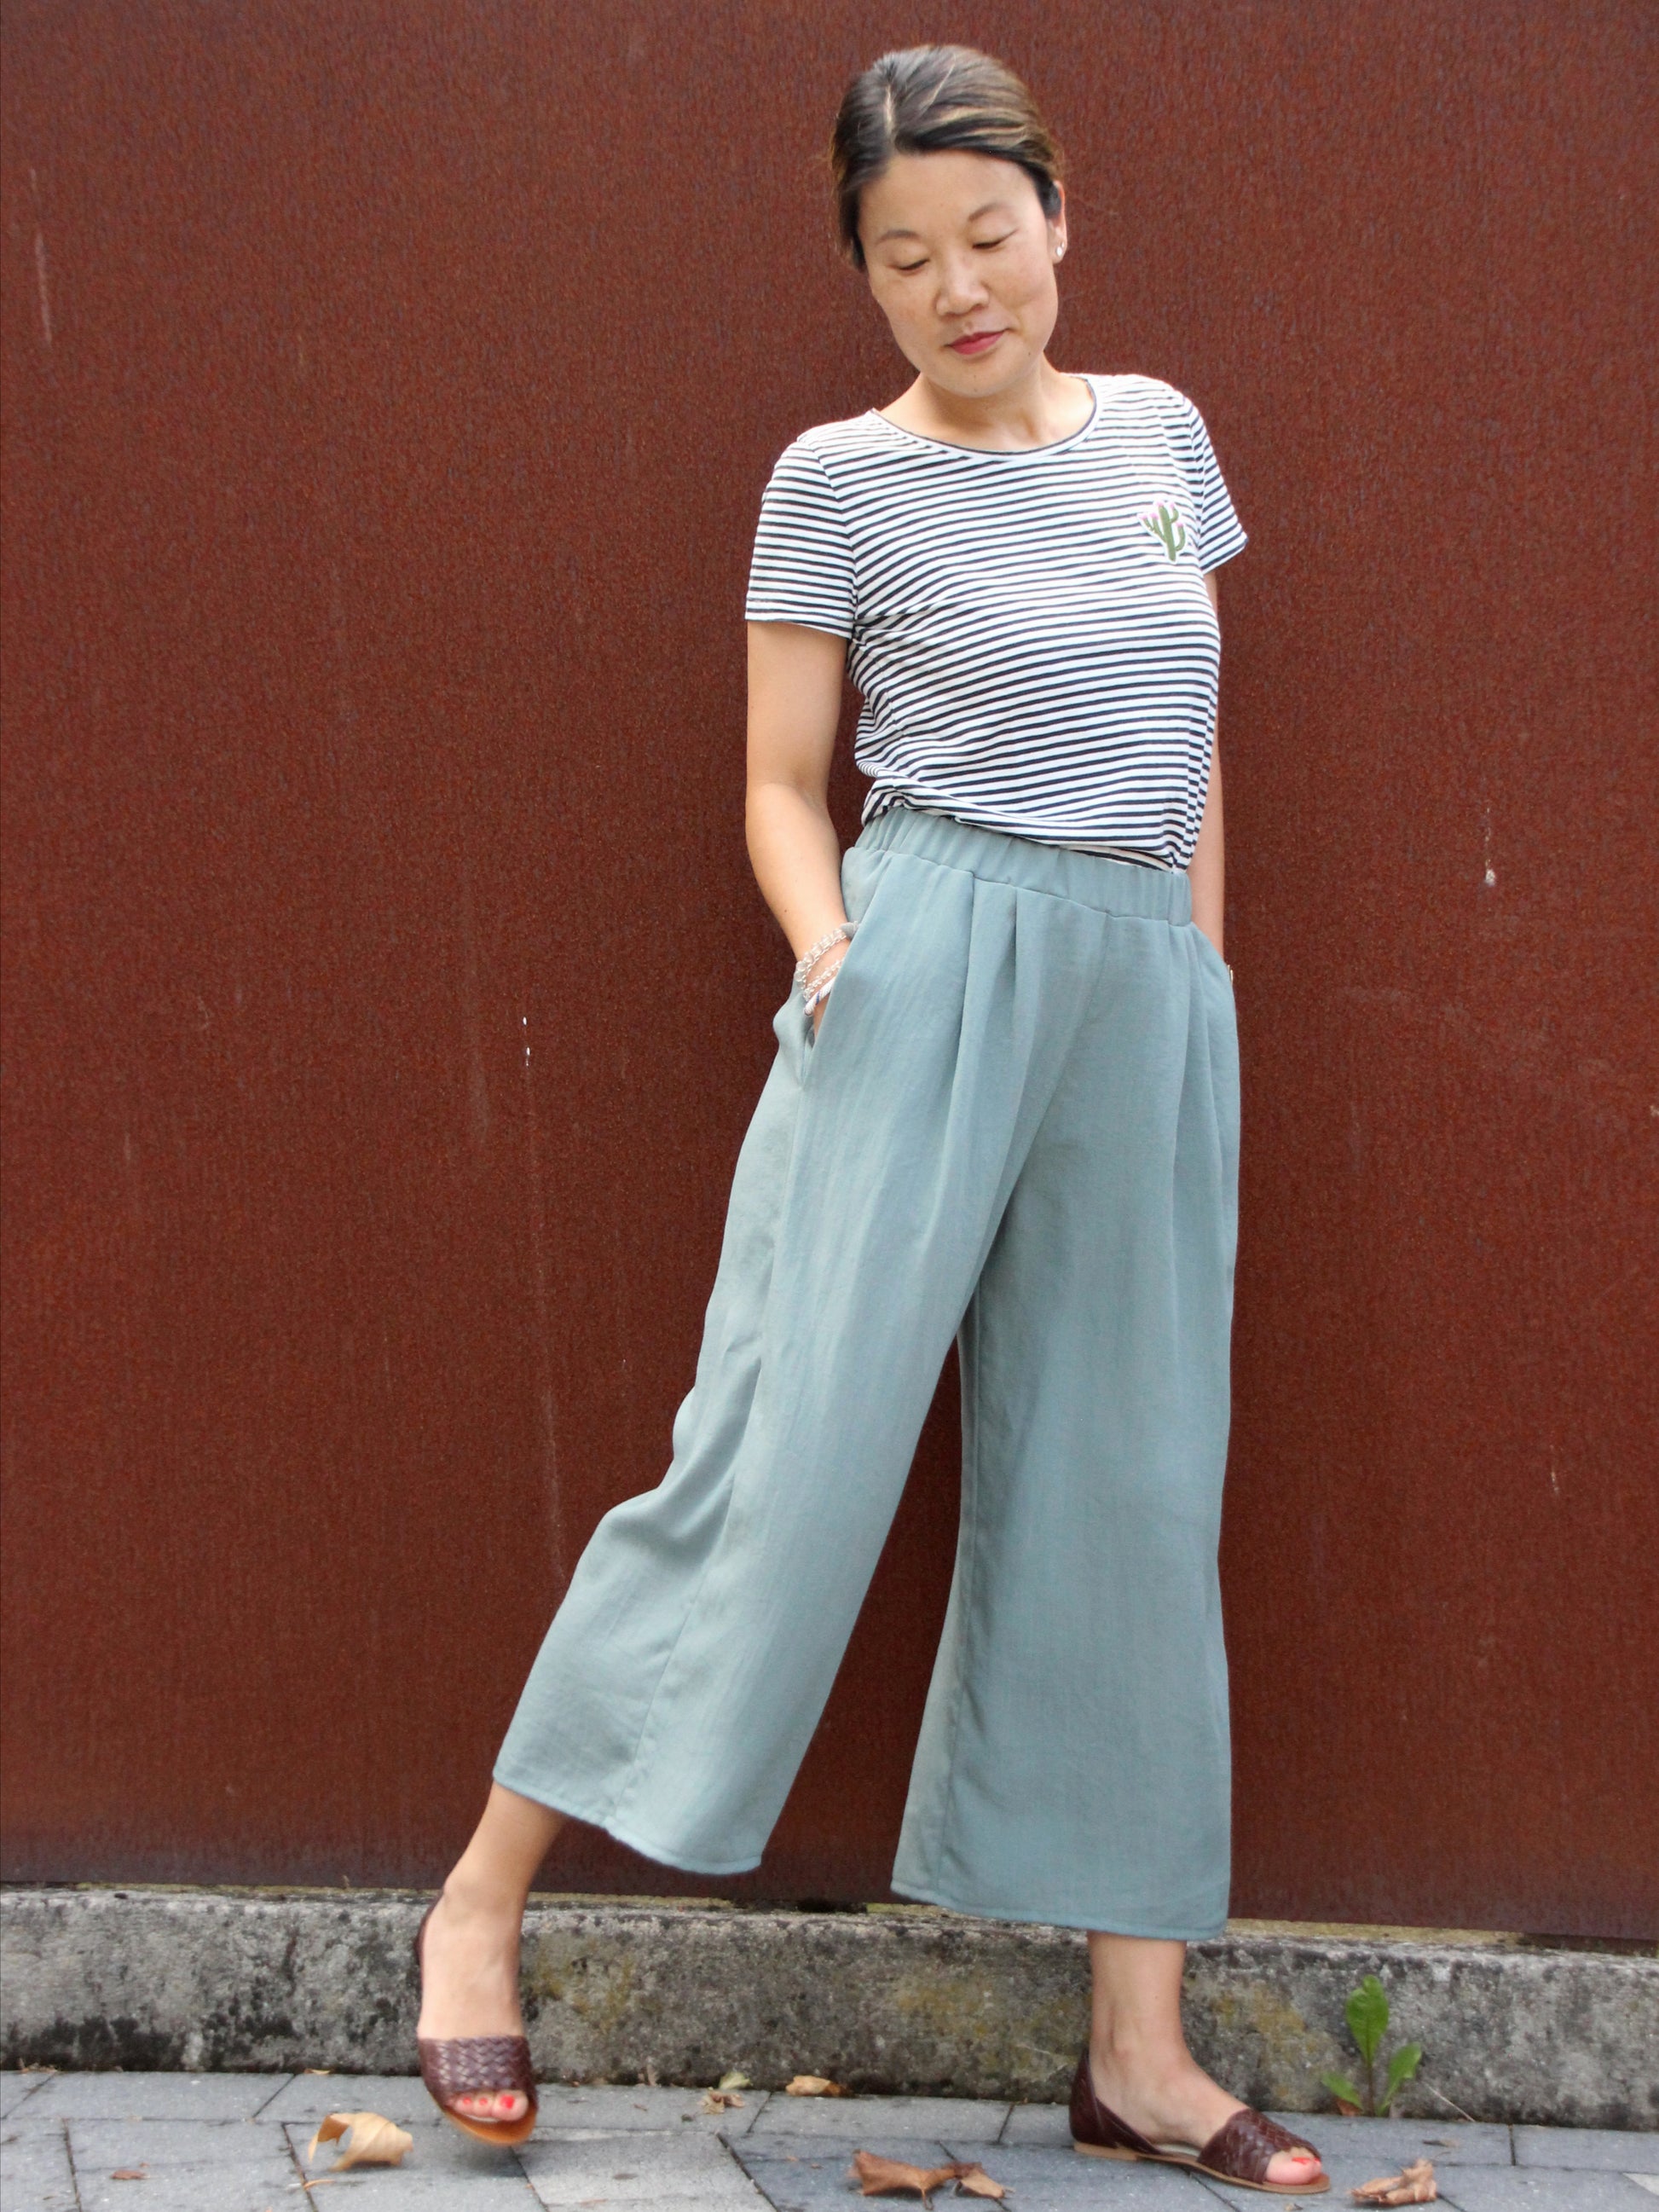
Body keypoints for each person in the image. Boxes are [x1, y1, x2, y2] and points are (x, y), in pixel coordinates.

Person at [413, 42, 1329, 2198]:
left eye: (987, 235)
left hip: (1139, 991)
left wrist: (1198, 980)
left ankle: (1139, 2051)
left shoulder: (1163, 437)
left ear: (1058, 216)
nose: (957, 286)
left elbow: (1193, 727)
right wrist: (833, 943)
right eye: (903, 255)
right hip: (919, 958)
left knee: (1130, 1485)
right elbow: (772, 778)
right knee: (781, 1455)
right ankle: (476, 1900)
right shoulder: (832, 477)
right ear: (864, 272)